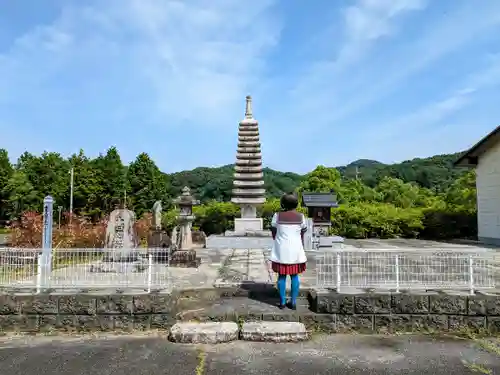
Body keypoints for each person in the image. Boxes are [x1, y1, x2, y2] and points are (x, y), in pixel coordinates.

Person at [270, 193, 308, 310]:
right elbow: (302, 232)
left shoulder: (277, 216)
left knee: (281, 276)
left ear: (282, 204)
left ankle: (282, 302)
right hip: (296, 250)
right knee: (294, 276)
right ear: (296, 204)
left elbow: (274, 232)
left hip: (281, 250)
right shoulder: (301, 217)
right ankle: (294, 302)